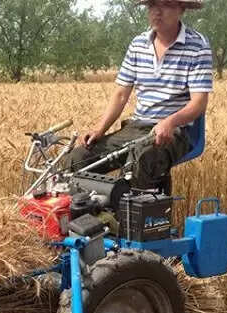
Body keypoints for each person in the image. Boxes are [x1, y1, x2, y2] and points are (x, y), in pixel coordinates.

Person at [63, 0, 213, 190]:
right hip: (136, 127)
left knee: (141, 160)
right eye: (152, 6)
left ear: (181, 9)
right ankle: (87, 216)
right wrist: (99, 130)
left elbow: (199, 103)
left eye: (165, 5)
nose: (157, 12)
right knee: (76, 160)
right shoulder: (138, 44)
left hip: (176, 131)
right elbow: (120, 95)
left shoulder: (198, 46)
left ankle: (131, 217)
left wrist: (170, 122)